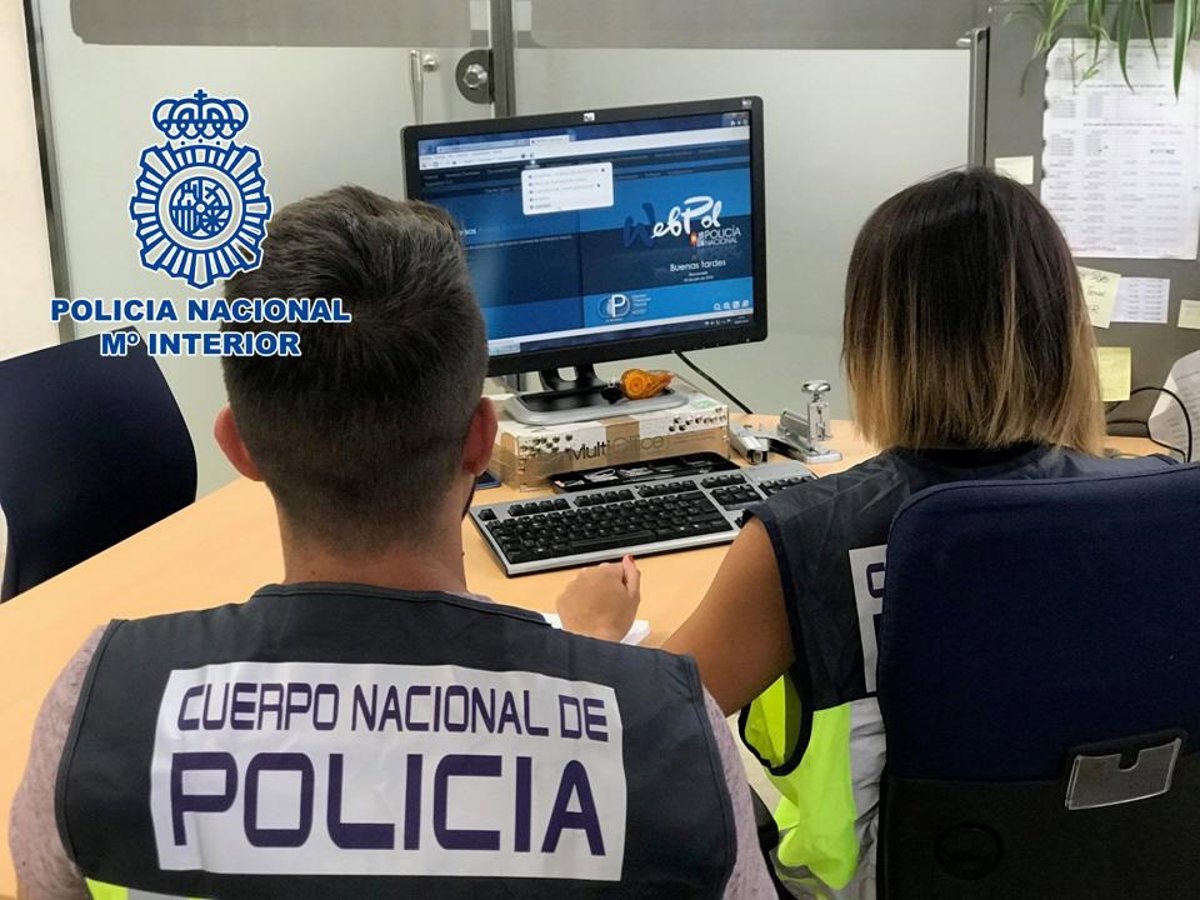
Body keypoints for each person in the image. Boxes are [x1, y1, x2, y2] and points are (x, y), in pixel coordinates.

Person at [10, 187, 773, 899]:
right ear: (482, 439)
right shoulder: (668, 730)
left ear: (240, 447)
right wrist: (588, 659)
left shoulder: (97, 711)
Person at [557, 168, 1176, 898]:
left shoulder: (808, 538)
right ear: (1064, 330)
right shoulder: (1158, 516)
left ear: (877, 343)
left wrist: (594, 634)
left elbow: (626, 739)